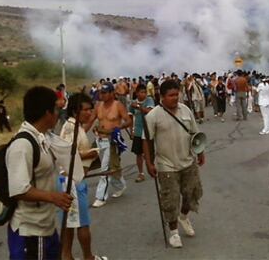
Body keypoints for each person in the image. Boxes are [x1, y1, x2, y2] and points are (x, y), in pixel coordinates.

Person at [6, 86, 76, 259]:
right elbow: (19, 189)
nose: (58, 113)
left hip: (47, 227)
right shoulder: (22, 146)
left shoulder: (43, 138)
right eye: (56, 109)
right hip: (30, 232)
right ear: (47, 113)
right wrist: (54, 197)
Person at [143, 80, 205, 248]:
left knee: (192, 193)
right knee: (170, 200)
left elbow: (195, 133)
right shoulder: (153, 116)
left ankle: (183, 217)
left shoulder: (185, 110)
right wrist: (149, 163)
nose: (175, 98)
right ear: (161, 97)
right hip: (166, 164)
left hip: (188, 161)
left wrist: (201, 152)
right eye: (171, 95)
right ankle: (174, 232)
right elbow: (146, 141)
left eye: (176, 94)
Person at [59, 93, 106, 260]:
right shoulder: (71, 128)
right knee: (82, 223)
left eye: (90, 109)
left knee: (70, 223)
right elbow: (67, 155)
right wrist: (90, 154)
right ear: (74, 111)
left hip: (74, 180)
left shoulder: (77, 127)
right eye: (85, 110)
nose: (89, 113)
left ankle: (68, 256)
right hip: (71, 181)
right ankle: (88, 257)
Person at [87, 82, 132, 208]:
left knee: (105, 170)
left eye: (105, 92)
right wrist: (78, 133)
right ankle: (121, 185)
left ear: (112, 93)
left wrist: (119, 127)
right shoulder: (98, 106)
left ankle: (100, 197)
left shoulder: (118, 105)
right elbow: (90, 121)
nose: (102, 95)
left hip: (111, 141)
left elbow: (128, 120)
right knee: (111, 167)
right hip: (99, 140)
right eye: (101, 92)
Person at [128, 84, 155, 182]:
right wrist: (131, 130)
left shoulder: (149, 100)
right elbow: (130, 117)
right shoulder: (132, 103)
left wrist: (139, 107)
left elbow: (150, 111)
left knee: (150, 151)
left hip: (149, 130)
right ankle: (141, 173)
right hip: (138, 131)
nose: (143, 94)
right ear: (137, 93)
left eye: (145, 92)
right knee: (138, 153)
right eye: (141, 92)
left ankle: (151, 166)